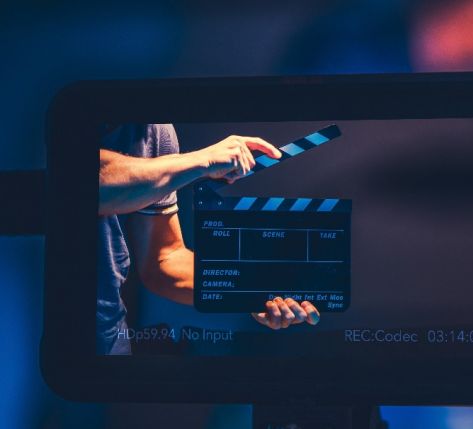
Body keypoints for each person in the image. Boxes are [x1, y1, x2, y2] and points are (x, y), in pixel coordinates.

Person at [98, 124, 319, 355]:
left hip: (109, 334)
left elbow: (164, 259)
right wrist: (201, 160)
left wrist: (254, 288)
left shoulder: (155, 131)